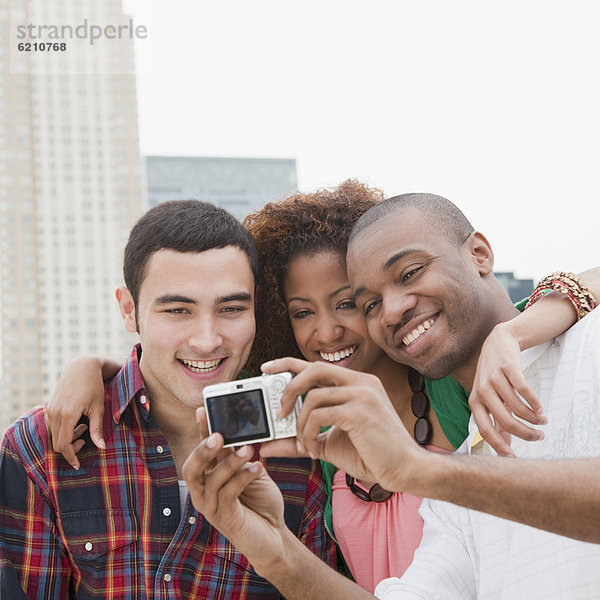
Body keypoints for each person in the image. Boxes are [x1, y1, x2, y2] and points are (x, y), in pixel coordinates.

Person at [44, 182, 599, 594]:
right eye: (303, 312)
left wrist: (518, 328)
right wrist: (97, 367)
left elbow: (571, 297)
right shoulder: (323, 435)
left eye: (350, 303)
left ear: (479, 254)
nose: (330, 329)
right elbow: (193, 371)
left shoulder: (476, 381)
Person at [0, 200, 335, 599]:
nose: (207, 339)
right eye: (178, 310)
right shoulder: (40, 447)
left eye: (231, 308)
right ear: (130, 310)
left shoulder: (301, 448)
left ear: (256, 308)